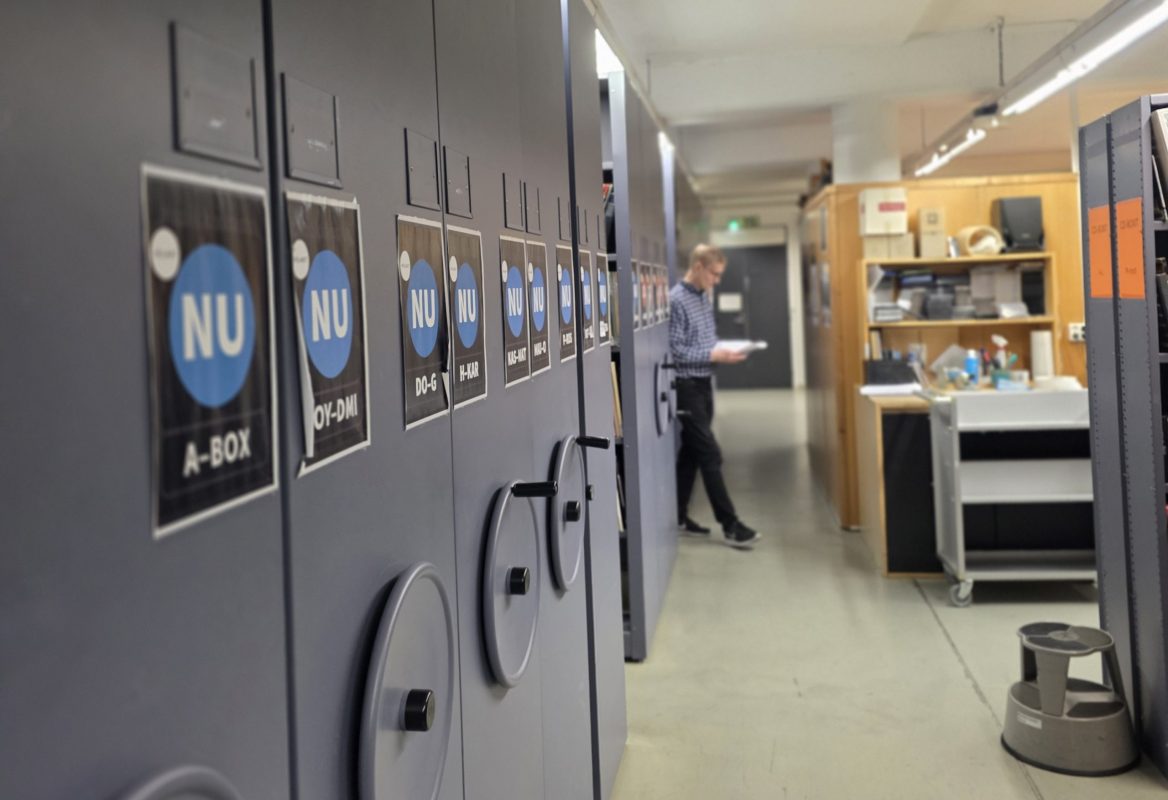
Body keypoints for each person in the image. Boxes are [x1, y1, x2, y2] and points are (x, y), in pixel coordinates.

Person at [669, 244, 760, 549]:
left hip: (705, 381)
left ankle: (678, 516)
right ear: (697, 267)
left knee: (691, 454)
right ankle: (731, 525)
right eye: (714, 274)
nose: (717, 280)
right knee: (710, 453)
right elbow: (676, 351)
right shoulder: (676, 300)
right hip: (686, 385)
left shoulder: (704, 298)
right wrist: (712, 353)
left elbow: (707, 341)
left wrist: (725, 351)